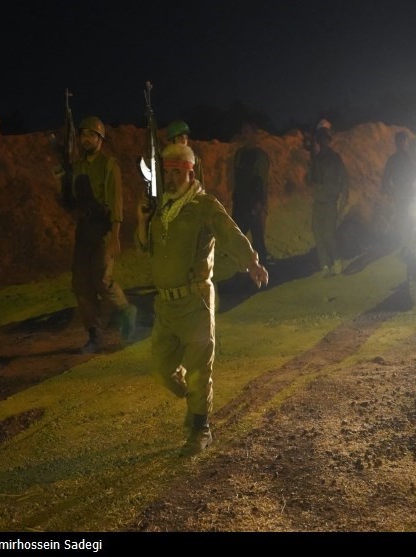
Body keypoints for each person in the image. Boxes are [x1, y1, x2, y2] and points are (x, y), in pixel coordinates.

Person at [135, 143, 269, 457]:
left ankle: (200, 428)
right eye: (166, 172)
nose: (170, 178)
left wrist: (251, 262)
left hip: (195, 301)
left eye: (177, 172)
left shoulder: (202, 205)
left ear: (189, 172)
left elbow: (229, 233)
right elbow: (143, 249)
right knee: (160, 367)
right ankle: (194, 402)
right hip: (165, 305)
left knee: (199, 369)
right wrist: (141, 219)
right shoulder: (160, 209)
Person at [61, 115, 137, 354]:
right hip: (84, 231)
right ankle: (94, 334)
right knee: (81, 284)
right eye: (83, 134)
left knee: (102, 280)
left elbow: (116, 202)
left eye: (91, 135)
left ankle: (125, 310)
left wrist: (115, 235)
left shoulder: (108, 165)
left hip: (104, 229)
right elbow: (69, 203)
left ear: (100, 139)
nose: (86, 139)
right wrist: (59, 181)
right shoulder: (78, 167)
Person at [307, 126, 348, 277]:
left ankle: (337, 259)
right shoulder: (315, 160)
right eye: (320, 139)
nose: (323, 142)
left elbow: (344, 178)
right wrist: (310, 166)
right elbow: (309, 180)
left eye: (325, 139)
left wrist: (344, 197)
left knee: (329, 234)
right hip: (318, 200)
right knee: (318, 232)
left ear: (328, 140)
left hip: (330, 200)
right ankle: (324, 264)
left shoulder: (335, 158)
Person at [231, 120, 271, 262]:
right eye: (243, 132)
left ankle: (262, 269)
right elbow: (235, 178)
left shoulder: (260, 156)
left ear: (254, 134)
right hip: (241, 202)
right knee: (238, 237)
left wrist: (261, 204)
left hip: (255, 204)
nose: (244, 135)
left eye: (247, 132)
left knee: (257, 239)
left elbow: (263, 181)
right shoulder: (239, 154)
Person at [381, 131, 416, 249]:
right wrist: (387, 190)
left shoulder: (411, 159)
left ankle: (407, 243)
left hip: (410, 192)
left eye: (403, 141)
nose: (401, 144)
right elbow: (386, 177)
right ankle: (403, 242)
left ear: (406, 143)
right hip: (399, 192)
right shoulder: (393, 159)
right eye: (398, 141)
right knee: (401, 217)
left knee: (409, 218)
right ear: (396, 143)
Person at [165, 119, 205, 187]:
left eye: (185, 138)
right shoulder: (164, 160)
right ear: (172, 140)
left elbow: (200, 187)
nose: (184, 141)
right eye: (180, 138)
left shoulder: (195, 160)